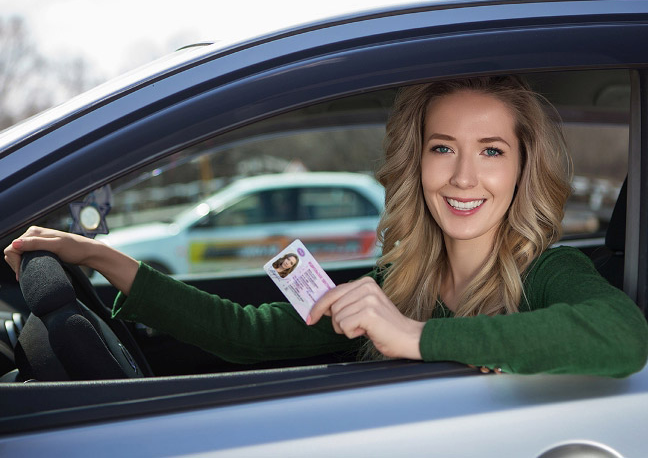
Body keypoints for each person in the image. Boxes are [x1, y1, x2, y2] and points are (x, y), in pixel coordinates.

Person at [5, 76, 648, 376]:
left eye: (492, 151)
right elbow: (245, 336)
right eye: (443, 148)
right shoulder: (397, 282)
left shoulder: (547, 273)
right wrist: (104, 259)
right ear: (416, 162)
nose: (462, 178)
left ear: (521, 168)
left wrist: (416, 338)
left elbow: (623, 338)